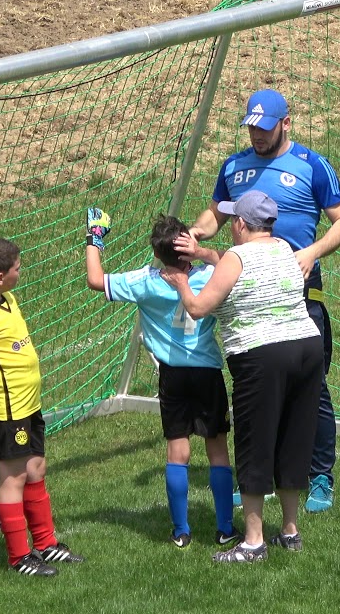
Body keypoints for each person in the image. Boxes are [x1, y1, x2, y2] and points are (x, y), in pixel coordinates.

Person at [188, 88, 340, 513]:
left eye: (264, 128)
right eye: (251, 128)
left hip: (298, 294)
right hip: (248, 296)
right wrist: (196, 234)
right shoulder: (234, 167)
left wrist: (312, 252)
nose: (257, 136)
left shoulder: (311, 166)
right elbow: (214, 216)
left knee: (311, 391)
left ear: (286, 123)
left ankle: (318, 476)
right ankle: (261, 477)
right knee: (257, 389)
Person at [163, 190, 324, 563]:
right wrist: (204, 255)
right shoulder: (283, 247)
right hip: (307, 348)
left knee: (255, 440)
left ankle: (253, 541)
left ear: (239, 224)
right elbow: (231, 263)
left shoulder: (236, 256)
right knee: (292, 436)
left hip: (263, 354)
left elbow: (200, 308)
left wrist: (181, 283)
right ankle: (289, 530)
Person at [83, 210, 239, 548]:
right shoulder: (209, 276)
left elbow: (95, 279)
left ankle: (181, 530)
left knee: (177, 451)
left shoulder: (146, 283)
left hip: (172, 377)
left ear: (158, 253)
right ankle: (225, 527)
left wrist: (95, 236)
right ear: (188, 246)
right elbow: (234, 261)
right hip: (207, 373)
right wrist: (203, 253)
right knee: (218, 451)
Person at [0, 237, 84, 576]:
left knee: (36, 468)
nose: (20, 272)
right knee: (14, 477)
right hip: (5, 411)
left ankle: (46, 544)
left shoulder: (6, 300)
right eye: (17, 269)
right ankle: (18, 557)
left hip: (28, 405)